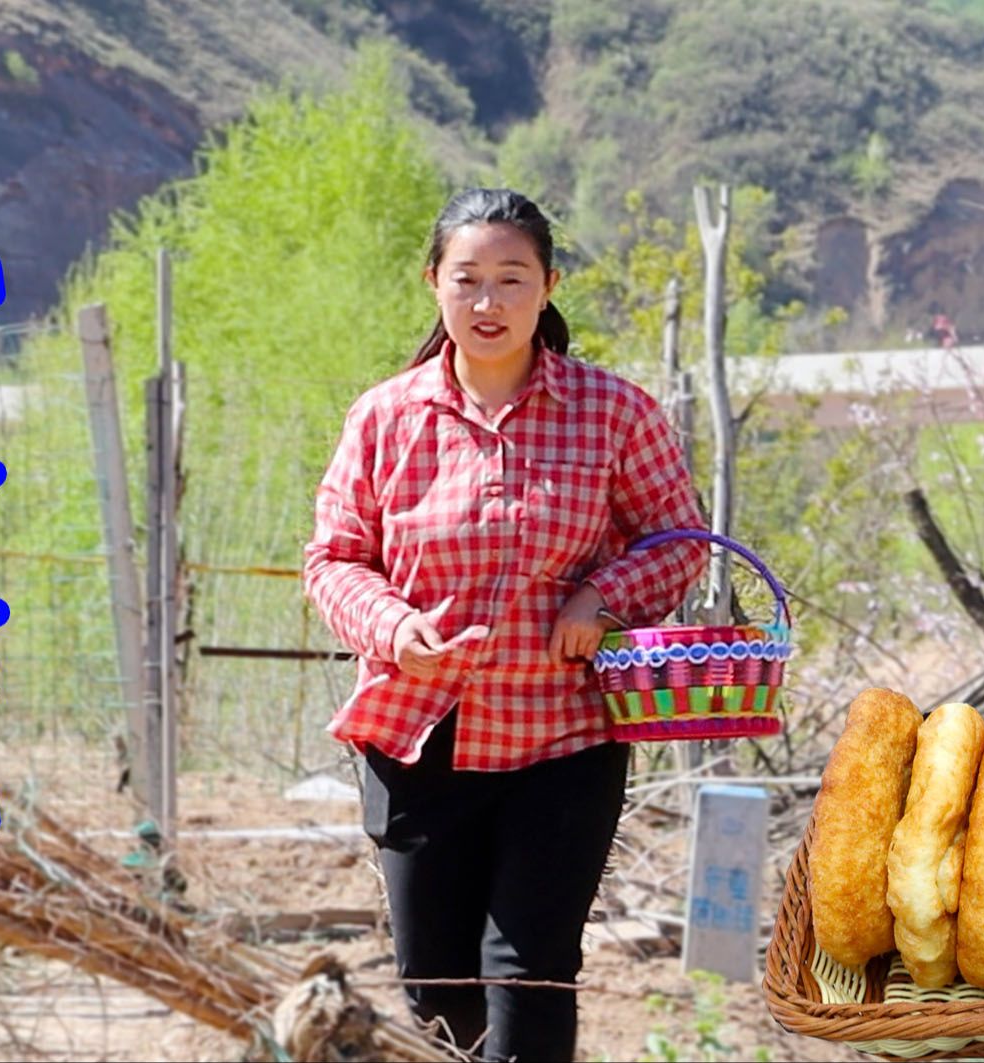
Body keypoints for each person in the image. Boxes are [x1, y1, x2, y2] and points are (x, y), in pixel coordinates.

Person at [302, 188, 708, 1061]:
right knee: (436, 986)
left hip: (563, 736)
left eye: (511, 280)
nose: (488, 303)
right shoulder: (384, 417)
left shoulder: (613, 412)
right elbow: (332, 560)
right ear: (433, 285)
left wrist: (601, 599)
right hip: (418, 735)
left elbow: (679, 542)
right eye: (468, 279)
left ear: (548, 285)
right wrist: (393, 627)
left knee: (528, 970)